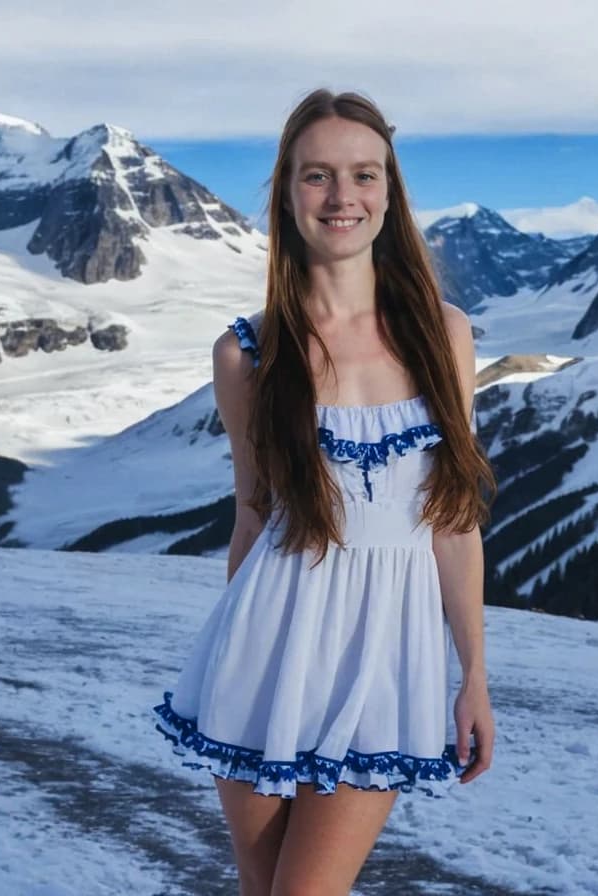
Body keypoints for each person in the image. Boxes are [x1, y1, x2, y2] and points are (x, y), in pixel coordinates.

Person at [152, 87, 496, 896]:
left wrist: (472, 673)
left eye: (363, 175)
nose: (343, 197)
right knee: (263, 886)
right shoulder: (247, 356)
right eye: (318, 176)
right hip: (263, 658)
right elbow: (253, 515)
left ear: (389, 193)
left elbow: (451, 520)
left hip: (386, 663)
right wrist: (242, 657)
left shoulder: (443, 335)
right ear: (285, 193)